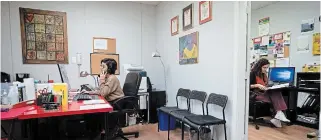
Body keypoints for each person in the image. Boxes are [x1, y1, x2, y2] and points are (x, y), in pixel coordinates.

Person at [250, 58, 290, 128]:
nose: (265, 69)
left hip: (264, 93)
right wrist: (257, 85)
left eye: (267, 68)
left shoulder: (264, 74)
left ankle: (277, 116)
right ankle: (279, 114)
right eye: (264, 67)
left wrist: (269, 87)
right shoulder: (252, 73)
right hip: (256, 94)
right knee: (275, 94)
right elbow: (246, 86)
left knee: (276, 91)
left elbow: (266, 84)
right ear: (259, 66)